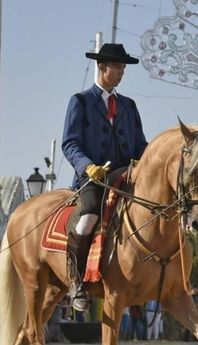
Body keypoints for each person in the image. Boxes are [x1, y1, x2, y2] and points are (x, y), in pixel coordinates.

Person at [62, 40, 149, 312]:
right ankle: (76, 282)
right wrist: (87, 166)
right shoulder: (80, 101)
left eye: (124, 67)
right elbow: (70, 143)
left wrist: (150, 161)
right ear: (101, 67)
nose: (121, 72)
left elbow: (140, 145)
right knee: (88, 217)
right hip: (94, 177)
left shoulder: (129, 105)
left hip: (126, 175)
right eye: (117, 67)